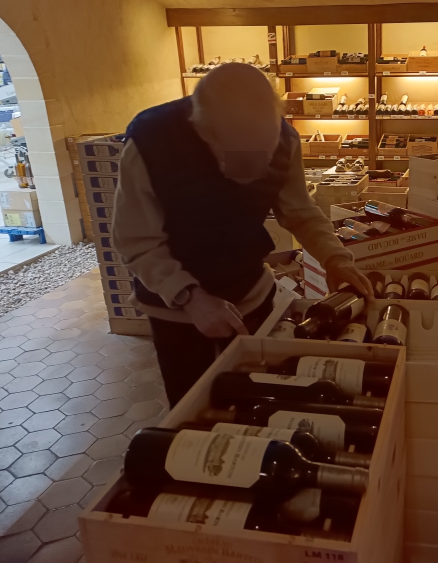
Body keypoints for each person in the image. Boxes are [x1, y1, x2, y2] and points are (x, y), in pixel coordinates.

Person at [112, 64, 373, 408]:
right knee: (194, 407)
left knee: (261, 401)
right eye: (247, 159)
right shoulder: (151, 144)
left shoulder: (284, 139)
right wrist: (191, 298)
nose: (263, 169)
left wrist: (335, 257)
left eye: (268, 153)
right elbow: (136, 242)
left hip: (251, 293)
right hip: (175, 309)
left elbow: (299, 210)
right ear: (205, 136)